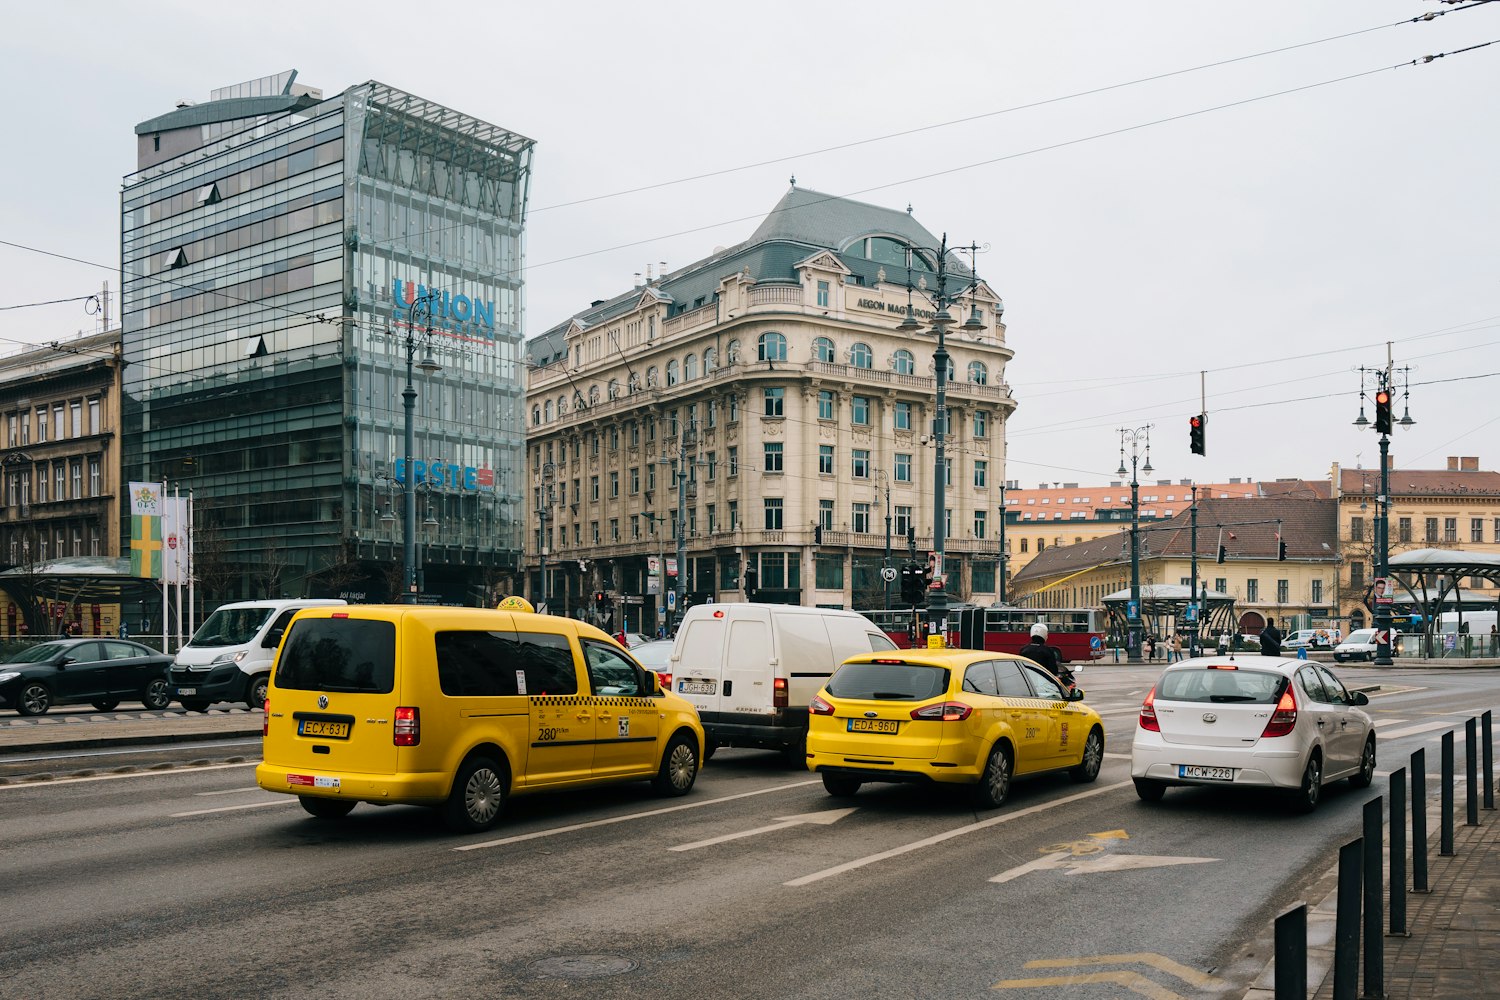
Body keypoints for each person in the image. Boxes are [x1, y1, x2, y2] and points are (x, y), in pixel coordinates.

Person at [1018, 623, 1075, 691]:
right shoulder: (1047, 650)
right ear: (1045, 635)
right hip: (1043, 685)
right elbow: (1053, 670)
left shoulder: (1023, 649)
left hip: (1027, 683)